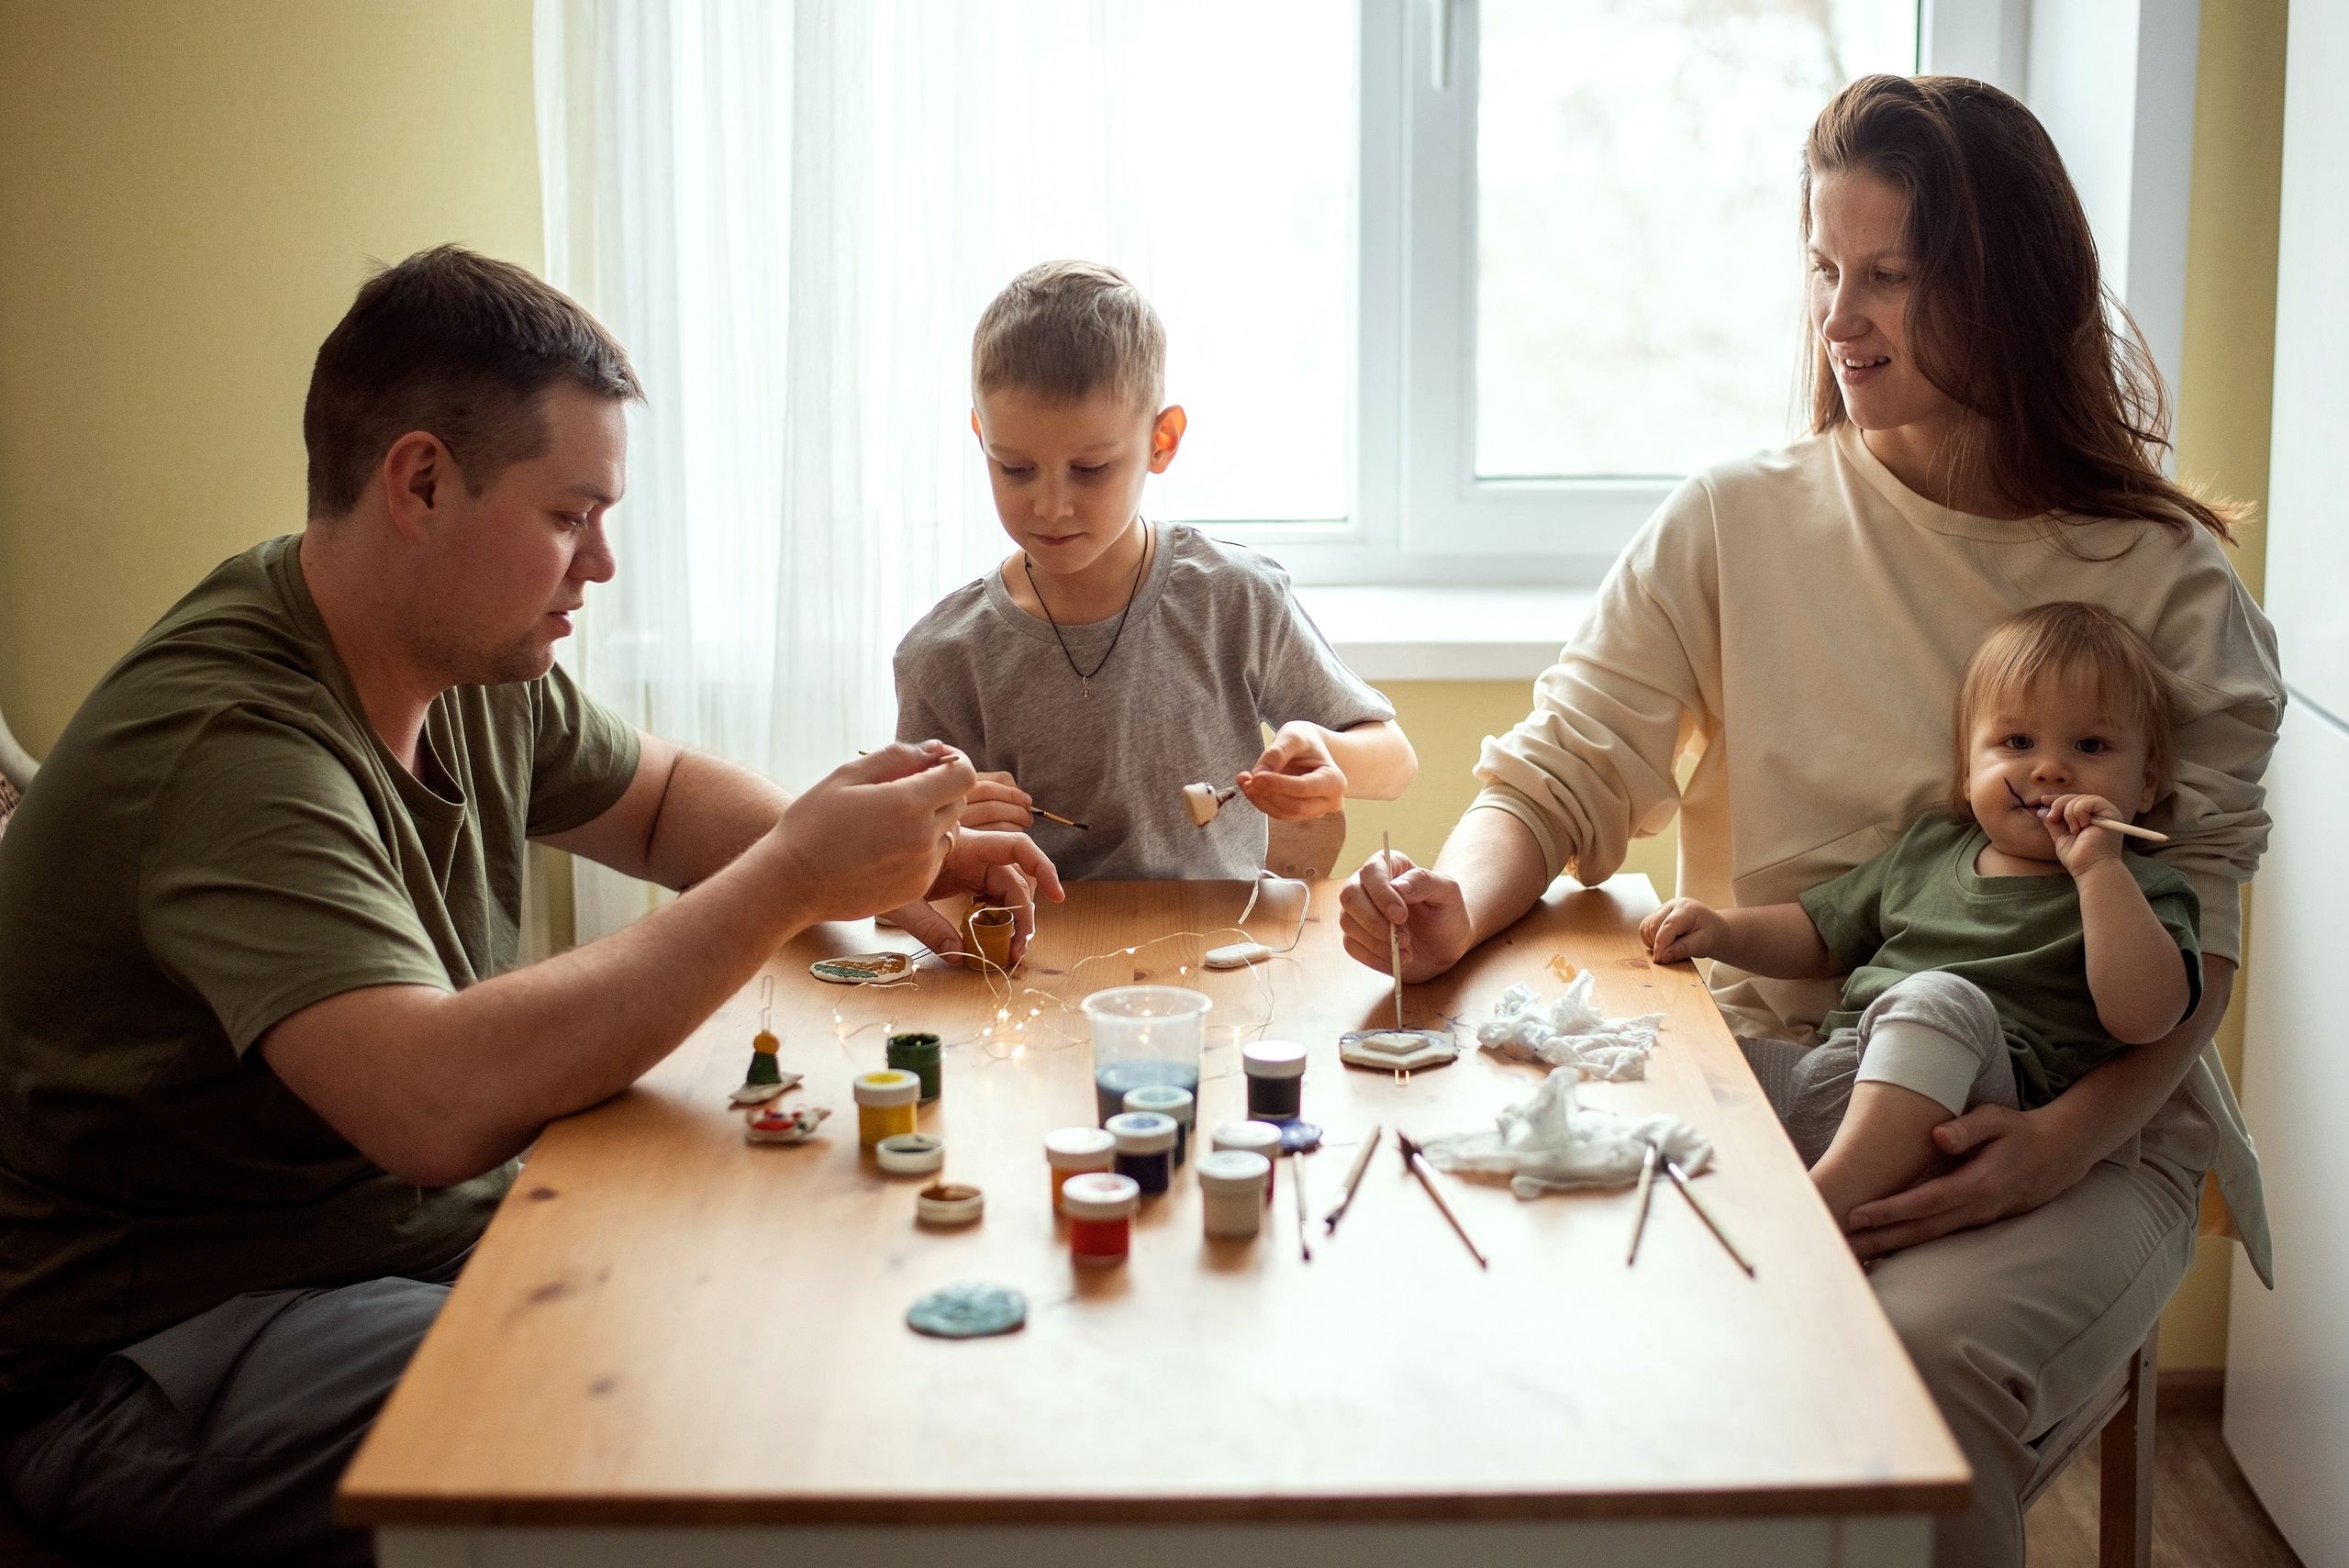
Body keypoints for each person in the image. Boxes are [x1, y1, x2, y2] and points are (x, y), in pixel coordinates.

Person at [1338, 75, 2280, 1567]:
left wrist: (2050, 1145)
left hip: (2088, 1114)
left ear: (2008, 285)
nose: (1842, 318)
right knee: (1561, 1307)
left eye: (1890, 276)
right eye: (1826, 271)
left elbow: (2202, 939)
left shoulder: (2163, 575)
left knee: (1898, 1378)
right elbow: (1562, 767)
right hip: (1784, 1076)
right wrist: (1455, 898)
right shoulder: (1737, 517)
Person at [0, 246, 1061, 1566]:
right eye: (571, 516)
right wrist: (796, 875)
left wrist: (897, 877)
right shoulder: (230, 747)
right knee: (690, 1406)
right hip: (158, 1356)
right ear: (423, 482)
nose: (600, 565)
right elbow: (432, 1103)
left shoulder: (463, 654)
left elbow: (664, 801)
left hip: (382, 1255)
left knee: (788, 1274)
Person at [1641, 603, 2201, 1228]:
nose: (2048, 769)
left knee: (1937, 1001)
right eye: (2017, 742)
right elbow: (1818, 935)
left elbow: (2146, 1018)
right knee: (1685, 1064)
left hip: (1973, 1108)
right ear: (1967, 775)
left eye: (2090, 745)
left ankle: (1815, 1215)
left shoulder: (2142, 890)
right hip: (1838, 1071)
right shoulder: (1929, 850)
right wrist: (1720, 931)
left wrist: (2100, 871)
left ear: (2147, 783)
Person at [892, 260, 1417, 880]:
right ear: (981, 436)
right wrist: (948, 834)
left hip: (1223, 961)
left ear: (1161, 441)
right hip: (1040, 966)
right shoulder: (945, 657)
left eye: (1089, 470)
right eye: (1015, 468)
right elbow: (905, 882)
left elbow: (1396, 760)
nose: (1050, 505)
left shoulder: (1233, 600)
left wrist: (1331, 756)